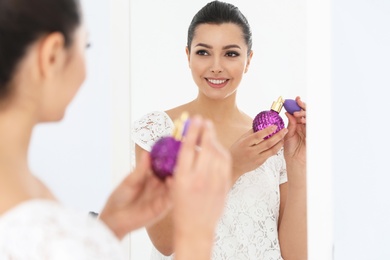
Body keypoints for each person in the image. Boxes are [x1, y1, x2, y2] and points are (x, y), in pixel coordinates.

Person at [0, 0, 232, 259]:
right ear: (51, 56)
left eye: (230, 53)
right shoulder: (24, 209)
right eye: (85, 46)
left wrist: (110, 227)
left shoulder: (22, 188)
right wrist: (196, 236)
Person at [132, 1, 307, 259]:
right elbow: (164, 240)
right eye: (203, 52)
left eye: (231, 53)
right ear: (187, 55)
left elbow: (296, 254)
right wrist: (231, 167)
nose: (216, 66)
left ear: (249, 60)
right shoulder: (160, 130)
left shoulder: (269, 141)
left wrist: (297, 166)